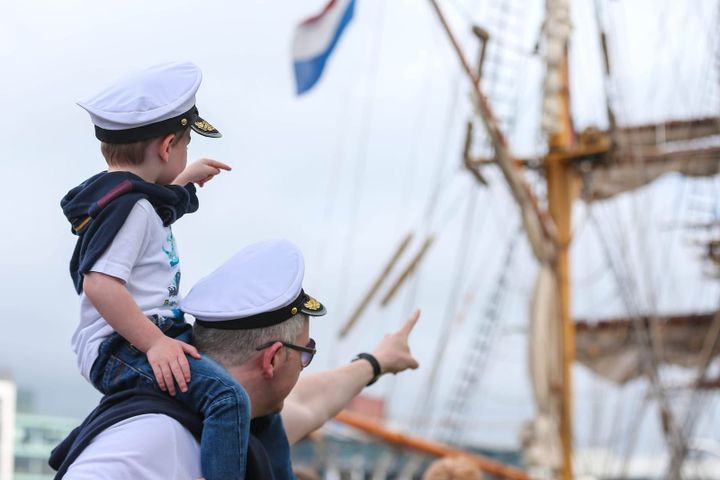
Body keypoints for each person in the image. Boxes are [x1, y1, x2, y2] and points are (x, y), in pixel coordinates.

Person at [51, 239, 420, 479]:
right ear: (273, 360)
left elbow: (309, 403)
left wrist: (377, 361)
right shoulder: (153, 438)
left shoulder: (236, 425)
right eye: (306, 353)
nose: (306, 364)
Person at [59, 62, 257, 480]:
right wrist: (154, 345)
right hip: (122, 347)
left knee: (235, 382)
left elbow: (160, 208)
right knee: (228, 399)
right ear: (167, 147)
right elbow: (100, 283)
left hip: (144, 334)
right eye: (184, 147)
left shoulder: (128, 200)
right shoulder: (130, 210)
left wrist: (186, 181)